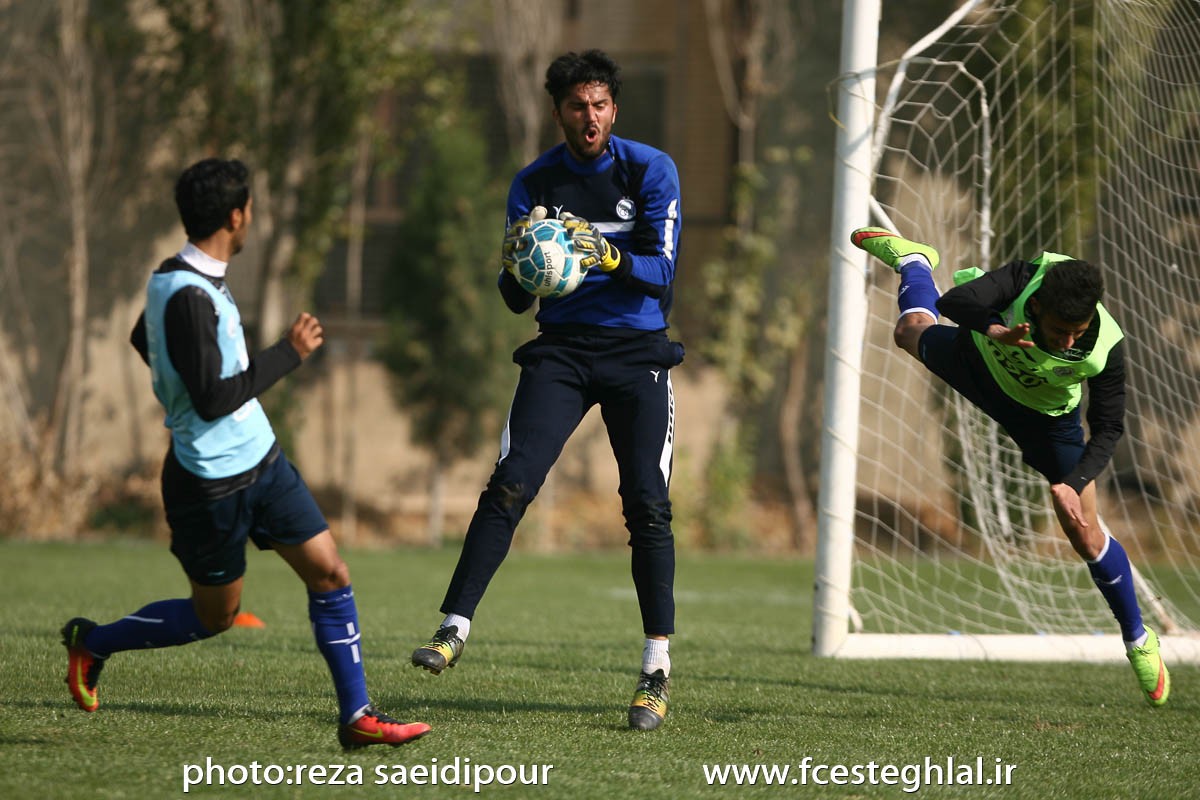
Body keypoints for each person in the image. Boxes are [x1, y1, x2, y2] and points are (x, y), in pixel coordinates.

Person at [61, 158, 431, 748]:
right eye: (250, 207)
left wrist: (179, 383)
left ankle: (357, 716)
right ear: (236, 217)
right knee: (216, 617)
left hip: (264, 462)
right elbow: (210, 399)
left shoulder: (186, 274)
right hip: (210, 486)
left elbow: (143, 339)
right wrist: (288, 352)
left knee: (331, 573)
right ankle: (93, 644)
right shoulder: (183, 293)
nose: (251, 215)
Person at [409, 50, 684, 731]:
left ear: (613, 108)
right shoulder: (534, 182)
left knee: (646, 505)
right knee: (510, 481)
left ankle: (655, 669)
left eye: (598, 105)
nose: (587, 118)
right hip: (561, 352)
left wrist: (604, 251)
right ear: (557, 112)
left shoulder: (650, 169)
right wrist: (523, 253)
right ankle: (452, 627)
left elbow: (661, 271)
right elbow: (510, 297)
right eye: (575, 107)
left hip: (637, 352)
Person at [851, 226, 1170, 707]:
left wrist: (1074, 482)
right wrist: (995, 327)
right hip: (980, 359)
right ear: (1037, 306)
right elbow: (957, 302)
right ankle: (914, 260)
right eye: (1059, 331)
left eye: (1076, 333)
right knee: (907, 331)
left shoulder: (1105, 346)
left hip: (1047, 423)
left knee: (1084, 531)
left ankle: (1138, 640)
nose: (1066, 342)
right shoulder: (1025, 278)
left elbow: (1108, 428)